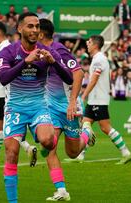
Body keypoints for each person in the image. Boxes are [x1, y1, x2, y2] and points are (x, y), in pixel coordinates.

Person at [0, 12, 72, 203]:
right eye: (30, 26)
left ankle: (43, 139)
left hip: (39, 106)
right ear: (20, 28)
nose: (35, 30)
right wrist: (25, 62)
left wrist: (53, 62)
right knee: (11, 153)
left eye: (37, 26)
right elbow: (3, 78)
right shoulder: (8, 52)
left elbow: (69, 78)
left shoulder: (47, 51)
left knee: (48, 140)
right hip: (15, 108)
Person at [38, 18, 94, 201]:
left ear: (41, 33)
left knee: (73, 152)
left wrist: (72, 103)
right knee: (50, 146)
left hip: (69, 106)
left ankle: (86, 131)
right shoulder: (37, 51)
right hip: (51, 107)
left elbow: (79, 73)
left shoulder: (59, 50)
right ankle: (61, 191)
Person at [0, 21, 37, 167]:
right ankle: (27, 147)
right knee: (5, 127)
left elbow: (10, 73)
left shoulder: (6, 49)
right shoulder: (4, 49)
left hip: (1, 93)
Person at [81, 35, 131, 165]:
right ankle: (80, 155)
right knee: (85, 125)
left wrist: (84, 94)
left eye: (89, 41)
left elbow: (94, 79)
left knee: (105, 128)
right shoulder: (96, 58)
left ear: (95, 45)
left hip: (99, 99)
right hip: (94, 99)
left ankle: (126, 152)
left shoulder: (100, 59)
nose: (87, 43)